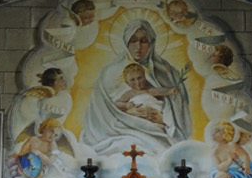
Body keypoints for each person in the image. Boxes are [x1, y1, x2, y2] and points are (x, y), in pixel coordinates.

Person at [81, 19, 192, 154]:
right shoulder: (108, 73)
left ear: (151, 43)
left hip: (158, 130)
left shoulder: (167, 72)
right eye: (133, 41)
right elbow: (99, 114)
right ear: (126, 42)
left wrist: (163, 118)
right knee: (125, 147)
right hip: (118, 132)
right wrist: (129, 113)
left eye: (144, 41)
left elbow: (180, 112)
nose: (138, 47)